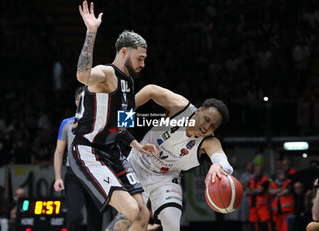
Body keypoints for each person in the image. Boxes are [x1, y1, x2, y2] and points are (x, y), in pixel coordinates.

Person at [70, 2, 158, 231]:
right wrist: (91, 32)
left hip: (113, 152)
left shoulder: (128, 82)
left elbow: (122, 125)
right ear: (123, 52)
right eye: (140, 58)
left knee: (142, 213)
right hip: (89, 150)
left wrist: (137, 145)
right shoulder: (106, 74)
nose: (143, 64)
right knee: (129, 210)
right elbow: (82, 75)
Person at [127, 84, 234, 231]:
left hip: (166, 178)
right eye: (206, 119)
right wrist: (123, 117)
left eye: (213, 126)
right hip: (137, 164)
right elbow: (150, 90)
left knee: (172, 224)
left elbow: (225, 164)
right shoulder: (181, 107)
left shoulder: (209, 142)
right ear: (198, 111)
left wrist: (218, 166)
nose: (207, 127)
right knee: (133, 219)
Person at [54, 87, 102, 231]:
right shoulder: (67, 123)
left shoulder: (99, 122)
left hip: (94, 174)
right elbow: (59, 152)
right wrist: (57, 177)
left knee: (96, 217)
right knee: (74, 216)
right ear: (76, 102)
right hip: (73, 174)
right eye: (83, 99)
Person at [246, 164, 272, 231]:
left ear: (262, 171)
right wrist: (255, 190)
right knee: (253, 224)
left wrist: (252, 189)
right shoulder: (251, 179)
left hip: (263, 206)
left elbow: (260, 190)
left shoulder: (265, 180)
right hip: (253, 206)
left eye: (259, 170)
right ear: (254, 170)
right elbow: (247, 191)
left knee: (265, 224)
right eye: (256, 170)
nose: (258, 171)